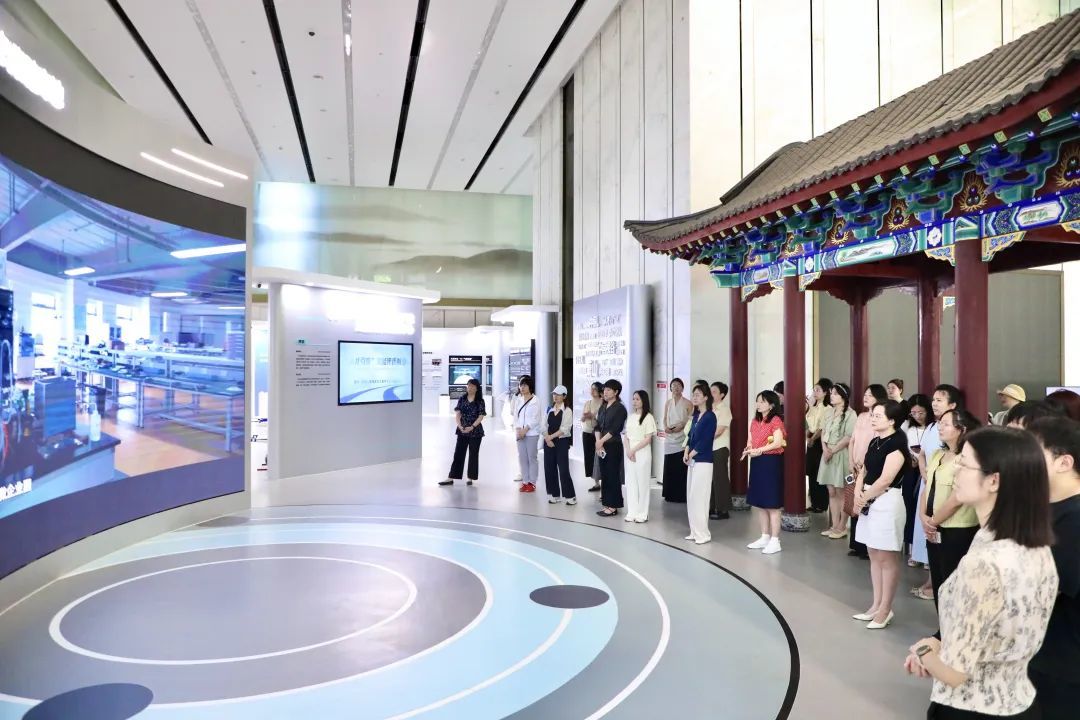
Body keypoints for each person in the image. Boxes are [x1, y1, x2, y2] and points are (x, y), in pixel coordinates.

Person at [904, 427, 1057, 719]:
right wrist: (940, 641)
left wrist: (923, 650)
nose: (955, 470)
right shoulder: (1036, 545)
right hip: (1020, 701)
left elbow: (955, 673)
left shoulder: (985, 562)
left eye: (964, 463)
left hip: (972, 708)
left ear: (993, 480)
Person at [1028, 418, 1080, 719]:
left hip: (1063, 665)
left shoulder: (1074, 519)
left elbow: (1042, 590)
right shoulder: (1045, 510)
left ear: (1064, 462)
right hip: (1039, 656)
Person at [852, 400, 911, 629]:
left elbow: (886, 480)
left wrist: (864, 498)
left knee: (886, 557)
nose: (873, 418)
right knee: (873, 554)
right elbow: (864, 470)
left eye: (878, 415)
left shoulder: (897, 444)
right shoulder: (875, 440)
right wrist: (858, 492)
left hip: (887, 501)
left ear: (892, 420)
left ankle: (886, 608)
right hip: (868, 499)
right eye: (872, 415)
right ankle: (876, 604)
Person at [923, 410, 982, 609]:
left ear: (961, 429)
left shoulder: (965, 460)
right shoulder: (938, 454)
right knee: (938, 581)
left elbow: (957, 499)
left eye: (946, 424)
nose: (940, 427)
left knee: (953, 583)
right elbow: (927, 486)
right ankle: (941, 624)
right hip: (933, 527)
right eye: (940, 423)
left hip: (957, 529)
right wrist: (924, 517)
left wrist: (933, 521)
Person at [744, 390, 786, 555]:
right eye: (758, 401)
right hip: (757, 461)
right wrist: (749, 448)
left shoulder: (776, 420)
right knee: (761, 503)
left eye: (762, 401)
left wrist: (760, 450)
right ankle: (764, 536)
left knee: (772, 503)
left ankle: (775, 540)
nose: (758, 404)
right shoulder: (754, 421)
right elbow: (750, 440)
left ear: (772, 405)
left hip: (771, 462)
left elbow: (777, 442)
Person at [849, 384, 888, 559]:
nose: (865, 397)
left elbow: (876, 443)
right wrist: (851, 461)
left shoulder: (880, 419)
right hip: (855, 464)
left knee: (868, 504)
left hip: (869, 466)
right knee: (855, 501)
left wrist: (864, 464)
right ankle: (856, 545)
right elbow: (852, 440)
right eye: (865, 394)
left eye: (870, 395)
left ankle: (867, 547)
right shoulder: (861, 416)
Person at [681, 383, 718, 544]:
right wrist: (686, 451)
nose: (694, 397)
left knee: (700, 497)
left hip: (703, 461)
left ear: (706, 397)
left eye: (698, 394)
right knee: (691, 497)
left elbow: (705, 440)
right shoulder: (696, 416)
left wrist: (691, 453)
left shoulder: (710, 416)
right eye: (693, 394)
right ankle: (694, 531)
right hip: (693, 460)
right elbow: (690, 437)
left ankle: (703, 534)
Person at [818, 382, 856, 539]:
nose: (831, 396)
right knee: (831, 491)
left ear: (843, 396)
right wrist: (825, 449)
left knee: (842, 492)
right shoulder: (828, 412)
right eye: (831, 393)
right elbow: (823, 432)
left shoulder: (851, 414)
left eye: (835, 393)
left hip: (841, 454)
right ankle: (834, 525)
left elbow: (848, 437)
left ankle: (842, 526)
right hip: (827, 453)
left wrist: (832, 451)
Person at [441, 378, 487, 486]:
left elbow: (481, 416)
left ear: (476, 388)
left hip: (475, 431)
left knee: (473, 454)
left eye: (472, 386)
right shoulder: (462, 398)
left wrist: (472, 426)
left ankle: (470, 477)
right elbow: (458, 413)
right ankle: (451, 477)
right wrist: (459, 425)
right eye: (468, 385)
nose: (469, 388)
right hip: (462, 430)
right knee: (458, 454)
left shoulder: (480, 400)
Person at [623, 390, 657, 523]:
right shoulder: (631, 417)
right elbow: (626, 436)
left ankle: (642, 513)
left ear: (644, 401)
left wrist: (633, 450)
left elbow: (647, 439)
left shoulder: (648, 417)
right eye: (633, 399)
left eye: (637, 399)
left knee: (642, 483)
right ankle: (632, 511)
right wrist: (628, 450)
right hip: (629, 452)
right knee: (631, 482)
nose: (634, 401)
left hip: (642, 452)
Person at [595, 379, 628, 517]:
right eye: (605, 389)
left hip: (613, 445)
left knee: (613, 475)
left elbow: (615, 429)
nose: (605, 392)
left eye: (609, 390)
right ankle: (607, 503)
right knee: (604, 475)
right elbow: (597, 426)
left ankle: (613, 506)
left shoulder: (620, 408)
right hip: (601, 445)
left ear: (616, 392)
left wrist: (601, 441)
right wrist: (598, 442)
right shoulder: (603, 407)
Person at [542, 385, 576, 504]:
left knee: (563, 469)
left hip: (561, 442)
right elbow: (543, 425)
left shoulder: (567, 411)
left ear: (564, 396)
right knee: (549, 468)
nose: (555, 396)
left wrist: (550, 437)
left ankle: (570, 496)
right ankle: (554, 494)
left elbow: (565, 429)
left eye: (558, 394)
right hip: (548, 441)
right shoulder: (549, 409)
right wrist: (547, 438)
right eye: (554, 394)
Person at [661, 379, 693, 503]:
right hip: (669, 438)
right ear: (670, 388)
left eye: (679, 385)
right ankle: (669, 494)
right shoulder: (668, 402)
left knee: (680, 467)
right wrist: (665, 427)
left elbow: (691, 420)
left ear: (682, 388)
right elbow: (664, 418)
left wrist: (682, 425)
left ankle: (680, 495)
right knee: (669, 466)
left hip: (681, 437)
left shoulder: (688, 403)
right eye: (673, 385)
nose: (676, 388)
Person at [806, 378, 834, 513]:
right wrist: (808, 437)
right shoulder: (814, 407)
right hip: (811, 439)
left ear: (825, 392)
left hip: (821, 441)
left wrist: (812, 438)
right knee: (811, 472)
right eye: (814, 390)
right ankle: (814, 502)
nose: (815, 393)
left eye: (818, 390)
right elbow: (809, 424)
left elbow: (822, 428)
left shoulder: (828, 408)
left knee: (820, 472)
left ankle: (822, 504)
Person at [709, 381, 733, 520]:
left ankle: (723, 510)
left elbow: (719, 431)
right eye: (710, 391)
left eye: (714, 392)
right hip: (709, 448)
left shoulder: (724, 409)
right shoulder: (708, 408)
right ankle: (711, 507)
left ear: (722, 395)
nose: (711, 394)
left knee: (720, 479)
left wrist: (704, 437)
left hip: (719, 447)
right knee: (710, 479)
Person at [513, 375, 541, 493]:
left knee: (531, 458)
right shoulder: (518, 400)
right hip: (520, 433)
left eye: (525, 385)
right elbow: (516, 417)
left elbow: (536, 418)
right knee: (522, 458)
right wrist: (518, 429)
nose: (522, 387)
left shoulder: (536, 400)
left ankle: (532, 482)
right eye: (521, 385)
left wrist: (526, 429)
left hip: (532, 433)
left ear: (530, 386)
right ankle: (525, 481)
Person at [581, 382, 604, 492]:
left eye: (594, 389)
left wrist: (593, 415)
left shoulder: (603, 403)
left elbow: (602, 418)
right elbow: (582, 418)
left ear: (600, 390)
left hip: (599, 434)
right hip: (587, 432)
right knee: (589, 457)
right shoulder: (587, 403)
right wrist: (585, 417)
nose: (592, 391)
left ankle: (604, 482)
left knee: (600, 456)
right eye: (591, 389)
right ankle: (596, 483)